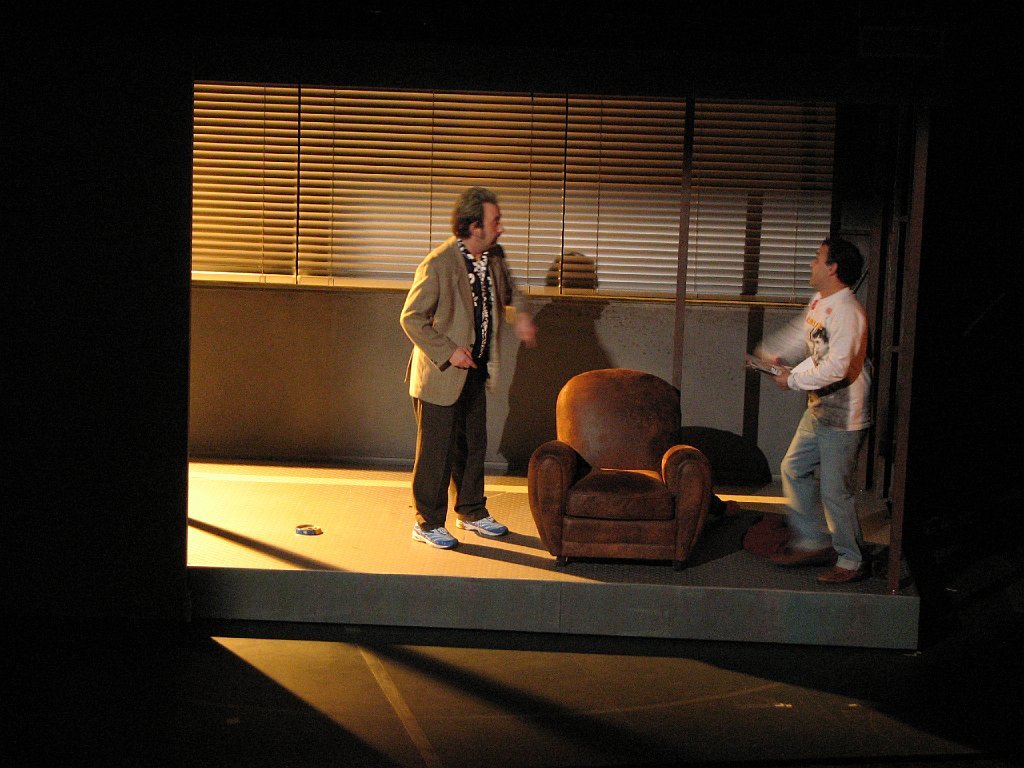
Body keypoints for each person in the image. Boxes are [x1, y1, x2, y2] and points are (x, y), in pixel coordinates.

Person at [400, 186, 537, 549]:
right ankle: (428, 522)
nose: (501, 227)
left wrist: (521, 316)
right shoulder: (438, 263)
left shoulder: (493, 256)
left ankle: (472, 511)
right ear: (475, 226)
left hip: (475, 369)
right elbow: (411, 318)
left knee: (473, 444)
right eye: (495, 221)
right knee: (437, 452)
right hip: (441, 373)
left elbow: (511, 292)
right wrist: (449, 352)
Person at [753, 236, 873, 584]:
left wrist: (792, 380)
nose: (812, 264)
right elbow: (803, 338)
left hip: (844, 415)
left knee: (835, 491)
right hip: (820, 407)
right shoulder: (821, 301)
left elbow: (837, 367)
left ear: (833, 268)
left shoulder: (848, 312)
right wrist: (774, 355)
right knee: (792, 468)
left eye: (818, 258)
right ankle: (812, 540)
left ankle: (851, 560)